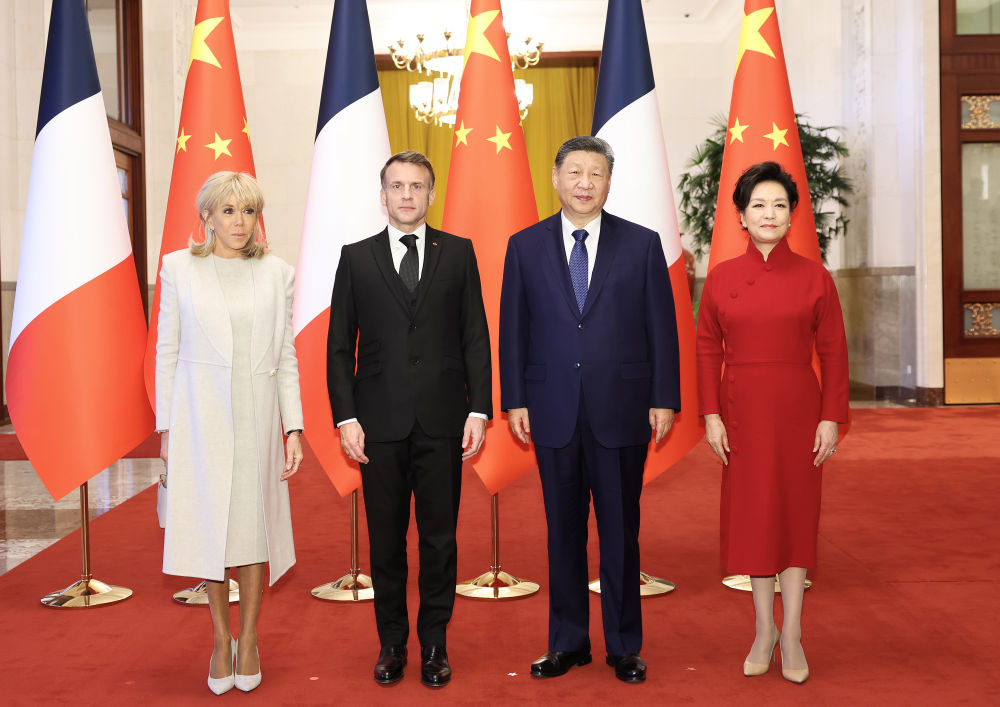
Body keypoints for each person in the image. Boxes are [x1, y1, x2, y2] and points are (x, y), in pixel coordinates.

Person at [499, 136, 680, 684]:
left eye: (595, 173)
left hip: (622, 409)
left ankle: (624, 644)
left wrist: (663, 397)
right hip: (552, 409)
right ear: (555, 178)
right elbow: (514, 328)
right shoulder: (524, 245)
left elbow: (661, 329)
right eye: (574, 172)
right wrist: (514, 399)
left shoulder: (642, 244)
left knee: (621, 531)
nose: (584, 183)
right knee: (563, 532)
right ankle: (567, 641)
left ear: (608, 182)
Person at [327, 150, 491, 688]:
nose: (406, 195)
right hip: (378, 425)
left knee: (440, 540)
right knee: (387, 540)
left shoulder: (459, 254)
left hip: (444, 419)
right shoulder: (355, 258)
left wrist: (478, 408)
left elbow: (475, 336)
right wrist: (346, 416)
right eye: (396, 185)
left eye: (416, 186)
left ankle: (436, 644)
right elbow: (337, 349)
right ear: (382, 195)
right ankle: (392, 643)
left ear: (431, 194)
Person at [695, 161, 849, 684]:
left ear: (791, 215)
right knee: (756, 519)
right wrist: (710, 414)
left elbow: (834, 353)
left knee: (795, 516)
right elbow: (704, 348)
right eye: (758, 204)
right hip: (740, 411)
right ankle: (764, 630)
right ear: (741, 215)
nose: (768, 213)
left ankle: (794, 633)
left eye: (779, 205)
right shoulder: (720, 279)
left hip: (799, 413)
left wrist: (831, 418)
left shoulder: (814, 277)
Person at [156, 171, 304, 696]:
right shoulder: (178, 269)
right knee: (210, 532)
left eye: (247, 211)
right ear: (207, 216)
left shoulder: (277, 272)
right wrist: (167, 427)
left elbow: (286, 355)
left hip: (259, 415)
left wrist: (294, 427)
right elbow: (167, 350)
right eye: (227, 210)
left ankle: (249, 638)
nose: (238, 222)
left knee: (251, 528)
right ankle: (220, 639)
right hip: (201, 417)